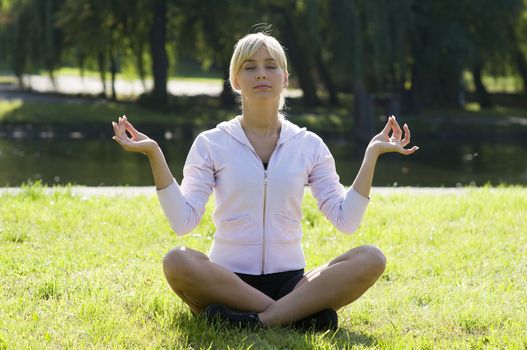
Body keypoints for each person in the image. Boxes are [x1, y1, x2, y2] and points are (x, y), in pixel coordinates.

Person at [112, 31, 418, 331]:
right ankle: (295, 316)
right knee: (177, 261)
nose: (261, 74)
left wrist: (372, 154)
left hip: (292, 283)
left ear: (285, 78)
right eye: (250, 67)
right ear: (235, 80)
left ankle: (256, 320)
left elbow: (346, 220)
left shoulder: (308, 145)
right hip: (227, 280)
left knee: (371, 258)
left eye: (271, 66)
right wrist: (154, 153)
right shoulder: (211, 143)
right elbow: (183, 222)